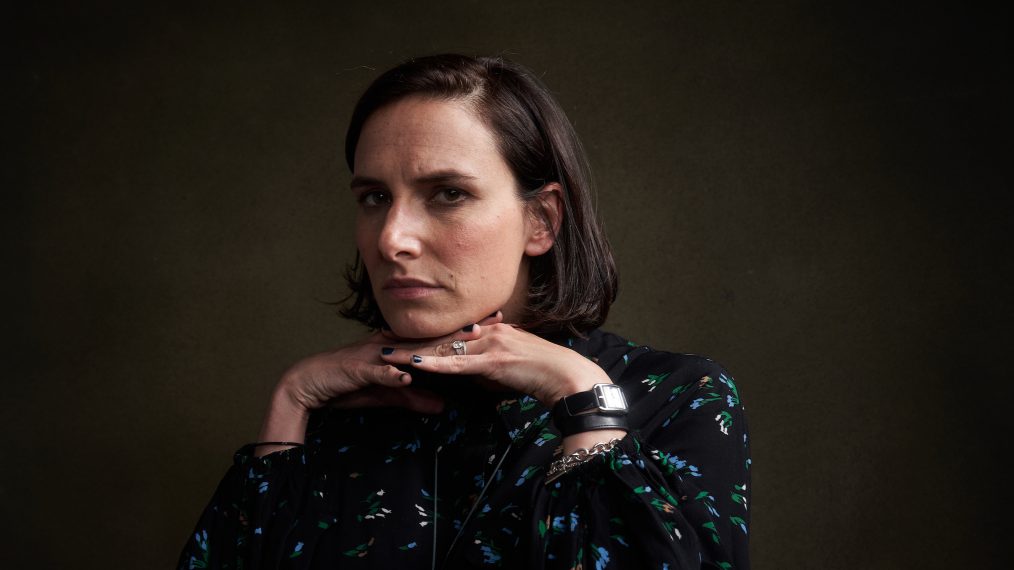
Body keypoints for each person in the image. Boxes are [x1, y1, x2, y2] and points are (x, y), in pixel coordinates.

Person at [178, 54, 750, 569]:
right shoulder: (337, 417)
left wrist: (585, 403)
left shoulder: (675, 400)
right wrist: (290, 402)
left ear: (541, 221)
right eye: (374, 198)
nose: (391, 240)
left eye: (448, 194)